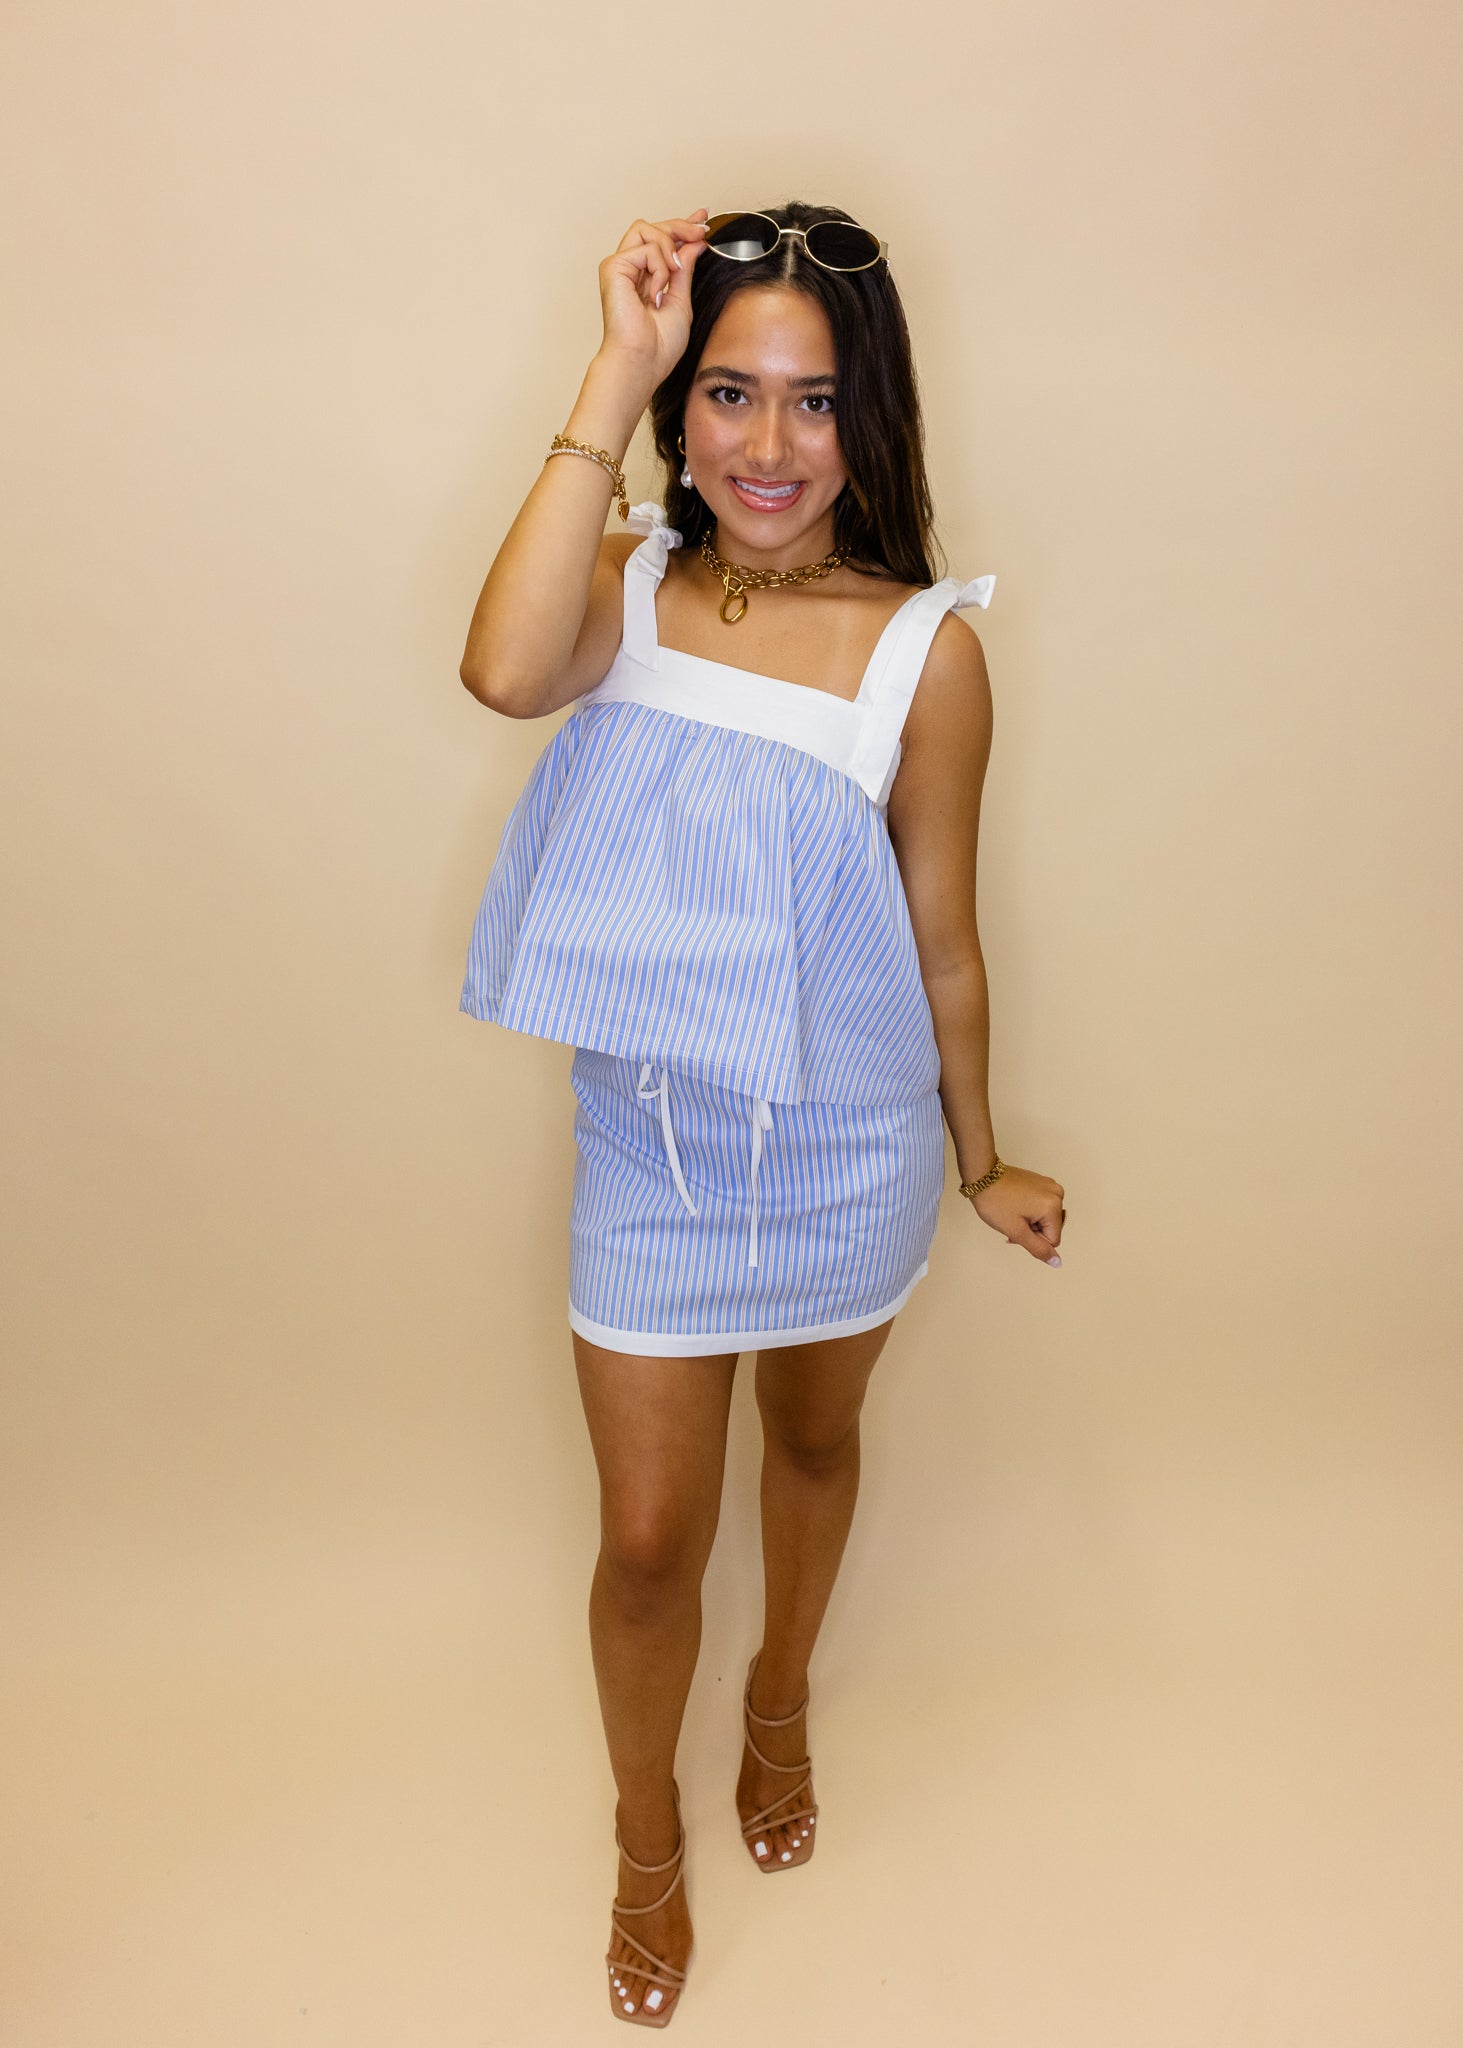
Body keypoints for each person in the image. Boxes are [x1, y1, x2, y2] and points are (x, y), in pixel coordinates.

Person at [457, 202, 1067, 2027]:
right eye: (729, 393)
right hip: (647, 1152)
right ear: (681, 408)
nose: (771, 446)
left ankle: (781, 1696)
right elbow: (500, 673)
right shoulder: (623, 586)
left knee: (812, 1444)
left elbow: (942, 938)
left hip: (844, 1148)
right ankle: (647, 1832)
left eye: (815, 401)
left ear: (870, 419)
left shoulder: (923, 652)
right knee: (649, 1541)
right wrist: (616, 362)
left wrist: (979, 1160)